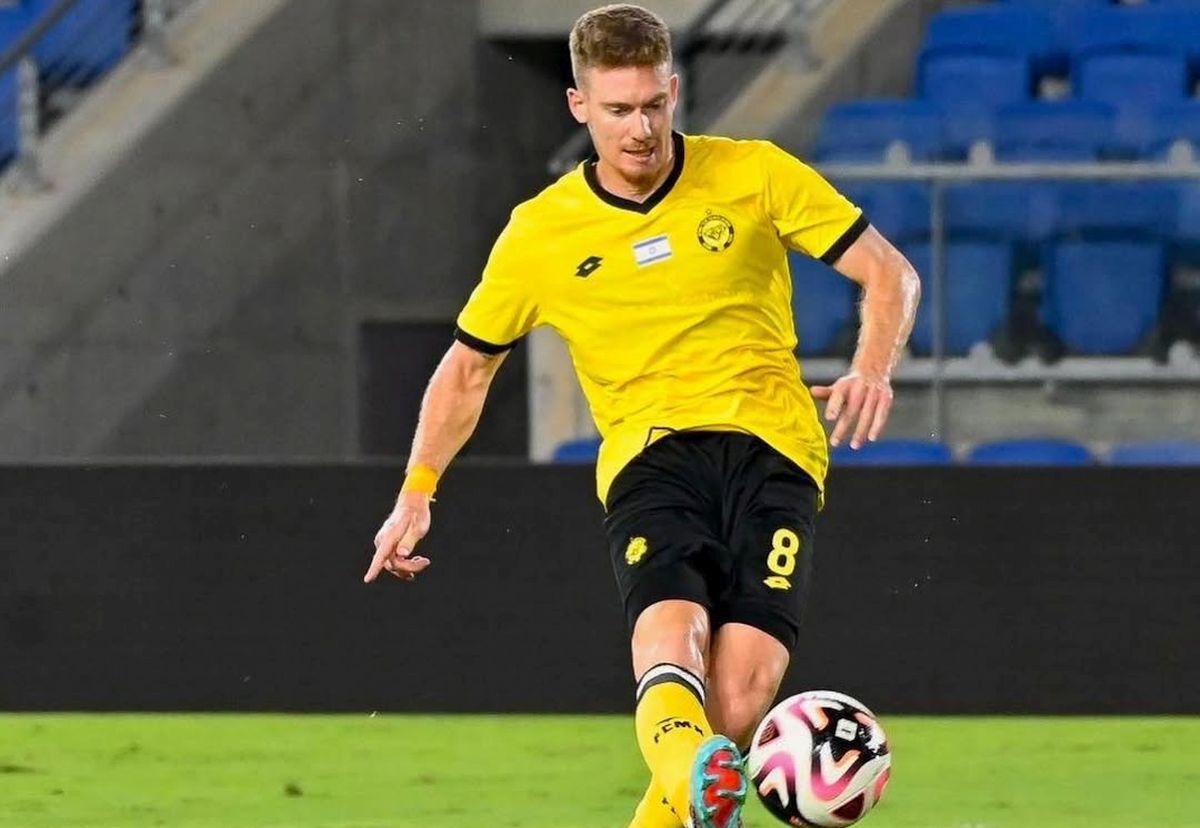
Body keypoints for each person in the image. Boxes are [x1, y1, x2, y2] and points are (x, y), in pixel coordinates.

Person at [364, 4, 920, 826]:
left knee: (738, 702)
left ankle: (696, 770)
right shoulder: (542, 233)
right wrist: (417, 490)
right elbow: (467, 368)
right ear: (578, 105)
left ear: (675, 91)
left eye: (654, 105)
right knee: (670, 638)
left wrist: (872, 367)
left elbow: (889, 272)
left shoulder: (755, 172)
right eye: (619, 109)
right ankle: (697, 768)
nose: (640, 129)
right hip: (652, 457)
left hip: (775, 451)